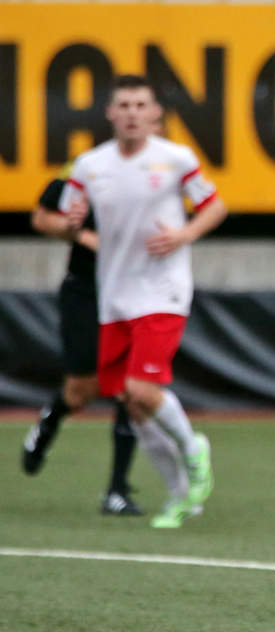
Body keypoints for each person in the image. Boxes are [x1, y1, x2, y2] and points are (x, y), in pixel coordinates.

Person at [59, 74, 227, 529]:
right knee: (131, 405)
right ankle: (180, 496)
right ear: (111, 113)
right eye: (124, 105)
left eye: (141, 105)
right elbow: (64, 218)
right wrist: (70, 222)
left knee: (142, 390)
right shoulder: (90, 165)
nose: (132, 113)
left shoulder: (175, 159)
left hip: (164, 288)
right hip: (113, 294)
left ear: (155, 115)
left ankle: (193, 452)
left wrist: (184, 234)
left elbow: (214, 205)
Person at [22, 164, 141, 515]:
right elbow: (43, 217)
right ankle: (51, 419)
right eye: (126, 107)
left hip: (135, 291)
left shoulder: (165, 168)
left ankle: (116, 490)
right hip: (87, 293)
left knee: (130, 388)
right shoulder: (89, 167)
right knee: (80, 390)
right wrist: (77, 233)